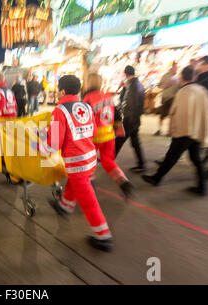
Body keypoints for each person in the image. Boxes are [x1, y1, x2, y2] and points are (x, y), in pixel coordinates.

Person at [40, 75, 113, 252]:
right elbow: (94, 130)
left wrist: (42, 141)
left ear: (63, 91)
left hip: (76, 163)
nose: (57, 93)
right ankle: (65, 206)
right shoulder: (86, 107)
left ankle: (103, 236)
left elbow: (54, 143)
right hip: (90, 159)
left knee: (88, 200)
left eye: (58, 89)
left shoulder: (60, 111)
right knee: (75, 183)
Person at [142, 66, 208, 196]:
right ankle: (202, 187)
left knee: (172, 156)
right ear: (194, 77)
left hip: (184, 131)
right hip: (196, 131)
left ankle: (156, 178)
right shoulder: (202, 91)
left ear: (181, 78)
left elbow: (175, 113)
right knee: (195, 158)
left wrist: (173, 130)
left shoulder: (183, 92)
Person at [83, 73, 134, 198]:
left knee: (87, 162)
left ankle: (90, 186)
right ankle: (123, 182)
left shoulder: (87, 99)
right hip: (109, 135)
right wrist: (117, 128)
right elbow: (117, 115)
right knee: (108, 161)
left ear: (89, 83)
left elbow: (84, 119)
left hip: (94, 137)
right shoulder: (107, 96)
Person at [115, 65, 146, 173]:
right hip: (135, 118)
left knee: (118, 139)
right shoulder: (138, 84)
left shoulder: (132, 85)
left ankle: (108, 159)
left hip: (130, 119)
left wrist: (129, 119)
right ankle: (141, 164)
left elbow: (132, 103)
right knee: (135, 142)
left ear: (125, 74)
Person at [154, 62, 179, 136]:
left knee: (172, 116)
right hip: (165, 98)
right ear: (171, 68)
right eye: (175, 67)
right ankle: (159, 130)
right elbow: (159, 86)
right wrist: (166, 85)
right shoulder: (165, 76)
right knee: (162, 115)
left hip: (173, 98)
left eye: (177, 67)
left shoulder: (177, 77)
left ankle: (169, 131)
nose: (176, 69)